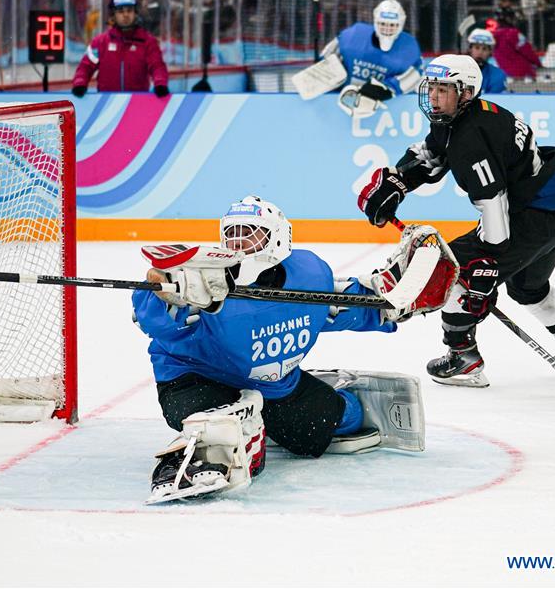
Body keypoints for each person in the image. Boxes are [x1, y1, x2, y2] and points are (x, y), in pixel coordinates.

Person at [131, 196, 452, 503]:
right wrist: (162, 290)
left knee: (338, 425)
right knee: (214, 428)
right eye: (231, 235)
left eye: (250, 234)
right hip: (196, 376)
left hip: (274, 386)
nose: (238, 245)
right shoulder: (205, 288)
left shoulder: (309, 277)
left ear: (277, 239)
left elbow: (343, 307)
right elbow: (156, 321)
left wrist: (393, 301)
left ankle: (316, 393)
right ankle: (237, 429)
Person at [357, 54, 555, 388]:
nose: (433, 96)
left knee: (452, 268)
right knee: (528, 288)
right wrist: (397, 182)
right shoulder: (463, 118)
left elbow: (493, 203)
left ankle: (462, 358)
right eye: (431, 88)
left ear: (465, 92)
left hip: (527, 219)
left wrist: (487, 262)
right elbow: (430, 154)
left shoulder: (471, 138)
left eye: (442, 89)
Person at [321, 0, 423, 112]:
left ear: (400, 25)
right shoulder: (353, 36)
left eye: (393, 25)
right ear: (375, 22)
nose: (387, 29)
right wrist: (327, 75)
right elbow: (327, 57)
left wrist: (384, 89)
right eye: (383, 23)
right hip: (338, 98)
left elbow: (416, 75)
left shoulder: (409, 48)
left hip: (380, 107)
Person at [71, 0, 169, 97]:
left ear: (135, 14)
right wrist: (80, 83)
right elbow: (85, 66)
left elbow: (157, 65)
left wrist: (160, 83)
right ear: (113, 15)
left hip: (138, 103)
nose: (126, 15)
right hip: (106, 103)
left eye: (129, 11)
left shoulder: (147, 42)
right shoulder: (100, 42)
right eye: (121, 11)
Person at [490, 6, 541, 80]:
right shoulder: (514, 34)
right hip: (524, 75)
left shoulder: (492, 36)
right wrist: (538, 64)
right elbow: (528, 52)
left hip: (504, 76)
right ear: (508, 19)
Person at [466, 28, 507, 93]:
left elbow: (494, 101)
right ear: (470, 49)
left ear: (490, 52)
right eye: (477, 48)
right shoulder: (459, 70)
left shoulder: (498, 75)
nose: (480, 52)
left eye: (484, 49)